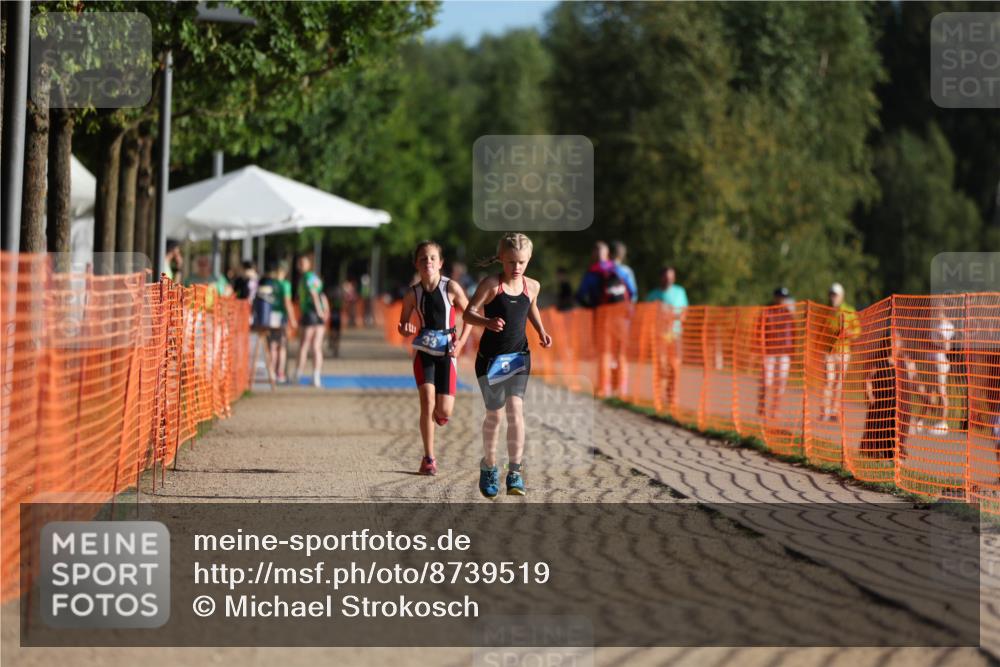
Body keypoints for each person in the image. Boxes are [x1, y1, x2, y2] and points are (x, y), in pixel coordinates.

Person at [464, 233, 552, 498]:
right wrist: (486, 323)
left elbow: (531, 307)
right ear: (501, 258)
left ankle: (514, 471)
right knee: (495, 415)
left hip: (518, 357)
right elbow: (468, 312)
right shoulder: (492, 285)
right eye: (511, 261)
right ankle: (489, 466)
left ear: (529, 260)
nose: (516, 267)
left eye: (522, 262)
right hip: (491, 360)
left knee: (516, 410)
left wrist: (541, 331)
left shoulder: (532, 286)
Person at [397, 241, 474, 476]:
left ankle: (441, 415)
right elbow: (402, 325)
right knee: (426, 400)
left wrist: (460, 343)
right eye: (423, 258)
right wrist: (407, 328)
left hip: (447, 352)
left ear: (440, 263)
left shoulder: (451, 288)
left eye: (432, 258)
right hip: (423, 351)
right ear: (416, 264)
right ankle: (428, 458)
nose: (428, 262)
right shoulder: (412, 295)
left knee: (443, 412)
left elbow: (471, 315)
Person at [575, 241, 632, 398]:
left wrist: (592, 307)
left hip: (602, 318)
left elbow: (580, 295)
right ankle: (622, 388)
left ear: (594, 254)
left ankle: (604, 388)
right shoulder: (619, 270)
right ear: (608, 254)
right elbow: (632, 292)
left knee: (604, 353)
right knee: (621, 353)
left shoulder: (591, 273)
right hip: (621, 317)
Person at [646, 266, 688, 409]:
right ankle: (660, 397)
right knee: (661, 367)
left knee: (674, 366)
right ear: (661, 278)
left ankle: (673, 398)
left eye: (671, 276)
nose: (668, 279)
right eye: (666, 276)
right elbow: (647, 316)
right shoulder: (653, 295)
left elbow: (684, 313)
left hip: (675, 335)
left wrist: (673, 316)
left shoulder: (680, 292)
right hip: (659, 337)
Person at [821, 282, 860, 422]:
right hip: (828, 350)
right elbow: (821, 330)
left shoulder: (849, 310)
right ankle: (824, 411)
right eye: (831, 294)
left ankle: (834, 410)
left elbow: (857, 331)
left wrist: (848, 333)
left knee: (839, 382)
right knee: (828, 380)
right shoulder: (824, 310)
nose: (833, 297)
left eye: (835, 295)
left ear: (841, 296)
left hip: (844, 351)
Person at [253, 262, 297, 384]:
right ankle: (280, 373)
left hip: (268, 317)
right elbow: (287, 302)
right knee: (281, 347)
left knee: (271, 346)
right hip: (281, 317)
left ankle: (271, 372)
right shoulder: (285, 284)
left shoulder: (268, 283)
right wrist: (293, 319)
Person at [758, 287, 795, 420]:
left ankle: (775, 408)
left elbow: (793, 334)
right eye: (780, 297)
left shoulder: (788, 314)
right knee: (766, 381)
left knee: (781, 382)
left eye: (784, 297)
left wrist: (792, 352)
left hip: (784, 352)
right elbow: (760, 330)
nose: (781, 300)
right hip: (769, 351)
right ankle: (762, 405)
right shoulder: (767, 312)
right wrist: (760, 347)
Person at [294, 253, 329, 388]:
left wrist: (320, 310)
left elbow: (315, 294)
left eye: (303, 263)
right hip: (315, 314)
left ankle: (299, 374)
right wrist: (324, 310)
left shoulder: (308, 278)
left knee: (305, 345)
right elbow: (322, 294)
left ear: (309, 264)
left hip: (311, 314)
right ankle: (315, 376)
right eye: (299, 263)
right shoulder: (311, 278)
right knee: (315, 346)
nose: (300, 266)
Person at [861, 339, 896, 460]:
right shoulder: (878, 362)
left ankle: (890, 453)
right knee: (875, 426)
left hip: (894, 402)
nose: (893, 346)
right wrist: (869, 395)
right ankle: (872, 451)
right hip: (879, 400)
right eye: (891, 344)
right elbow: (868, 379)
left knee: (892, 427)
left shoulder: (900, 362)